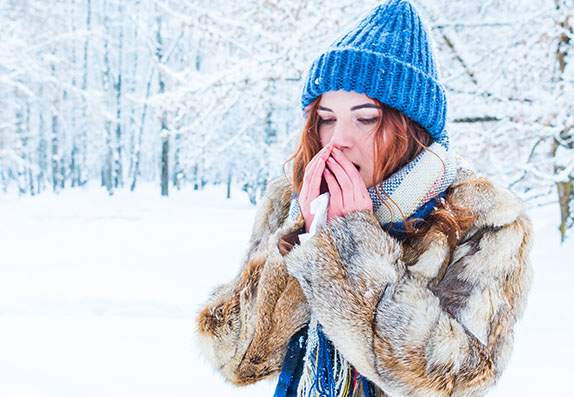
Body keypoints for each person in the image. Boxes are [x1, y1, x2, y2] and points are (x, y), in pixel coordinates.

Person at [195, 0, 533, 396]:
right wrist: (303, 237)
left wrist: (354, 243)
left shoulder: (484, 218)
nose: (338, 140)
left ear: (412, 128)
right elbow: (235, 360)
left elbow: (455, 380)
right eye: (326, 118)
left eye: (366, 117)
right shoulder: (295, 198)